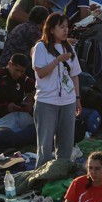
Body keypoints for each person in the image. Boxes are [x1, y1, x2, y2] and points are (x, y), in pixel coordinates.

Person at [32, 13, 81, 164]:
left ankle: (62, 174)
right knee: (45, 146)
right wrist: (57, 60)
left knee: (66, 143)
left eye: (67, 27)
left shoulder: (69, 48)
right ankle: (42, 177)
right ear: (51, 29)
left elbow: (74, 76)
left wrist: (77, 99)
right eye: (62, 27)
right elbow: (40, 73)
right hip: (47, 101)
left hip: (68, 101)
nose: (66, 30)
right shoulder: (40, 47)